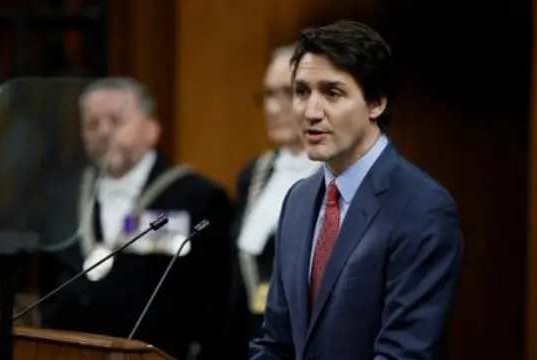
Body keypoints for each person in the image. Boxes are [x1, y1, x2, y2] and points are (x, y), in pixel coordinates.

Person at [249, 21, 464, 360]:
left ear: (376, 102)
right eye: (302, 92)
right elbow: (276, 342)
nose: (310, 112)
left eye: (332, 93)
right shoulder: (298, 200)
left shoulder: (423, 207)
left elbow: (404, 353)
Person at [39, 77, 233, 360]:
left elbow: (215, 300)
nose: (104, 132)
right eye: (92, 124)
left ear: (152, 130)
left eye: (116, 121)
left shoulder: (197, 197)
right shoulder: (62, 198)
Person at [228, 44, 321, 358]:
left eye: (289, 92)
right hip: (250, 339)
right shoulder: (255, 173)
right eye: (268, 94)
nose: (274, 107)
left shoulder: (335, 174)